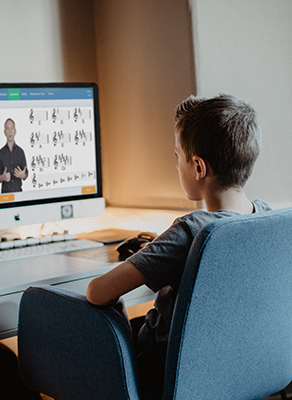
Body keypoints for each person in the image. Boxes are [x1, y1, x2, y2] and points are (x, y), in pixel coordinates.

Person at [86, 94, 272, 398]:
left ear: (198, 167)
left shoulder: (190, 231)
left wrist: (152, 254)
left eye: (178, 157)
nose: (177, 164)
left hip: (162, 371)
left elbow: (98, 292)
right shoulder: (266, 218)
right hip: (231, 368)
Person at [0, 118, 28, 193]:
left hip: (19, 194)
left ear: (15, 131)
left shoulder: (21, 152)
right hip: (5, 195)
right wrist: (3, 177)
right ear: (4, 132)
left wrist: (23, 175)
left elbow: (26, 173)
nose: (10, 131)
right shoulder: (0, 153)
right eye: (7, 129)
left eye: (12, 128)